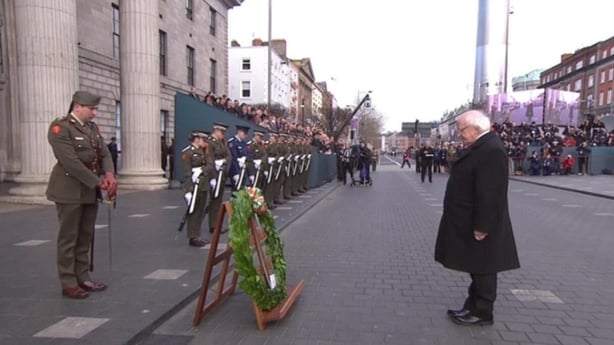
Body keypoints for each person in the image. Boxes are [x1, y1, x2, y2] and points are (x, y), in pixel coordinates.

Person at [434, 110, 519, 326]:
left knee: (484, 267)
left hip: (480, 222)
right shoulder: (482, 147)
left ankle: (482, 311)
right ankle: (472, 305)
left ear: (475, 128)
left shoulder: (491, 150)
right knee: (476, 265)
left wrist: (483, 225)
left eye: (462, 129)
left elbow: (491, 192)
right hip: (469, 218)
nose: (460, 133)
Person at [46, 91, 117, 299]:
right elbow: (71, 163)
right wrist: (98, 182)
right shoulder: (61, 128)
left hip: (88, 191)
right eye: (91, 109)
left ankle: (83, 277)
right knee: (69, 237)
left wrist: (110, 174)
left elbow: (104, 153)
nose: (95, 113)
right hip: (68, 190)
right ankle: (68, 282)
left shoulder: (92, 129)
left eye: (95, 109)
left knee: (86, 235)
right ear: (78, 107)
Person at [181, 130, 215, 247]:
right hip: (195, 185)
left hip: (204, 184)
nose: (204, 142)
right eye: (203, 139)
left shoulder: (204, 151)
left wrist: (202, 170)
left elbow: (210, 165)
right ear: (197, 139)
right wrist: (188, 190)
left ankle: (197, 234)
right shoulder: (188, 152)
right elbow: (187, 174)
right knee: (194, 211)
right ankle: (192, 236)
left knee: (201, 211)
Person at [207, 122, 231, 234]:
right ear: (216, 130)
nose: (223, 134)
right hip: (214, 174)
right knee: (213, 200)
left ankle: (215, 225)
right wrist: (212, 177)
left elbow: (229, 155)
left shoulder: (222, 143)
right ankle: (213, 225)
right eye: (222, 132)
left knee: (218, 200)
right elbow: (209, 160)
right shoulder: (210, 143)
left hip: (222, 175)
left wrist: (223, 161)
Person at [227, 125, 251, 191]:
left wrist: (244, 158)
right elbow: (233, 158)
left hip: (243, 169)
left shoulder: (243, 143)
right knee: (235, 190)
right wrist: (235, 173)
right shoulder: (232, 142)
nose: (245, 135)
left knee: (241, 189)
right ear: (239, 132)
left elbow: (249, 153)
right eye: (244, 133)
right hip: (235, 169)